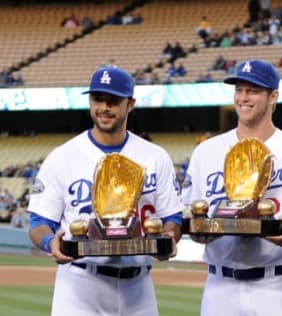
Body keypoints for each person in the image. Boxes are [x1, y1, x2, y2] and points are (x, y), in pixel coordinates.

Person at [27, 66, 184, 316]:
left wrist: (168, 237)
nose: (104, 107)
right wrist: (49, 241)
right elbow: (39, 222)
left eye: (113, 101)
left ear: (130, 104)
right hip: (80, 284)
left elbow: (173, 218)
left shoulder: (155, 156)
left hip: (138, 285)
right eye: (98, 99)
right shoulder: (62, 157)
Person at [181, 59, 282, 316]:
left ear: (274, 96)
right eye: (239, 89)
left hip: (276, 286)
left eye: (254, 91)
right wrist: (199, 232)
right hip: (219, 286)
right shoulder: (206, 152)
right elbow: (192, 216)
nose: (244, 98)